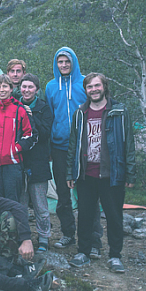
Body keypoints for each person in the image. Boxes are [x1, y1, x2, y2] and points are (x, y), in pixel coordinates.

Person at [66, 73, 136, 273]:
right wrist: (71, 173)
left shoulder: (119, 111)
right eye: (89, 87)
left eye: (97, 85)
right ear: (85, 90)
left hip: (112, 173)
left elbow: (128, 143)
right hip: (86, 174)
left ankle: (115, 256)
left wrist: (130, 173)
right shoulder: (80, 113)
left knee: (114, 216)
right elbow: (73, 144)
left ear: (104, 87)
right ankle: (83, 252)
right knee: (85, 215)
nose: (94, 89)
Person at [45, 47, 103, 251]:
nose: (63, 65)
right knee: (62, 194)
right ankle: (68, 233)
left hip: (84, 145)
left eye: (67, 61)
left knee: (89, 193)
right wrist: (51, 145)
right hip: (60, 146)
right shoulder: (51, 87)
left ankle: (93, 239)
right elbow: (50, 116)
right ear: (56, 64)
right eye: (60, 62)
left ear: (73, 62)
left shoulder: (84, 83)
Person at [0, 74, 37, 202]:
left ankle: (13, 223)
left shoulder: (19, 109)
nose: (2, 90)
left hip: (12, 164)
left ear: (11, 89)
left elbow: (30, 135)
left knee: (12, 201)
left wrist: (15, 149)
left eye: (5, 86)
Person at [19, 74, 53, 252]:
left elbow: (46, 133)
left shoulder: (43, 108)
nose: (26, 90)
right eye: (24, 87)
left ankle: (44, 237)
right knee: (21, 204)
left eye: (30, 87)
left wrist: (32, 116)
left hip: (38, 162)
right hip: (20, 162)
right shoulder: (15, 105)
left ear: (37, 90)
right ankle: (24, 236)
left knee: (40, 204)